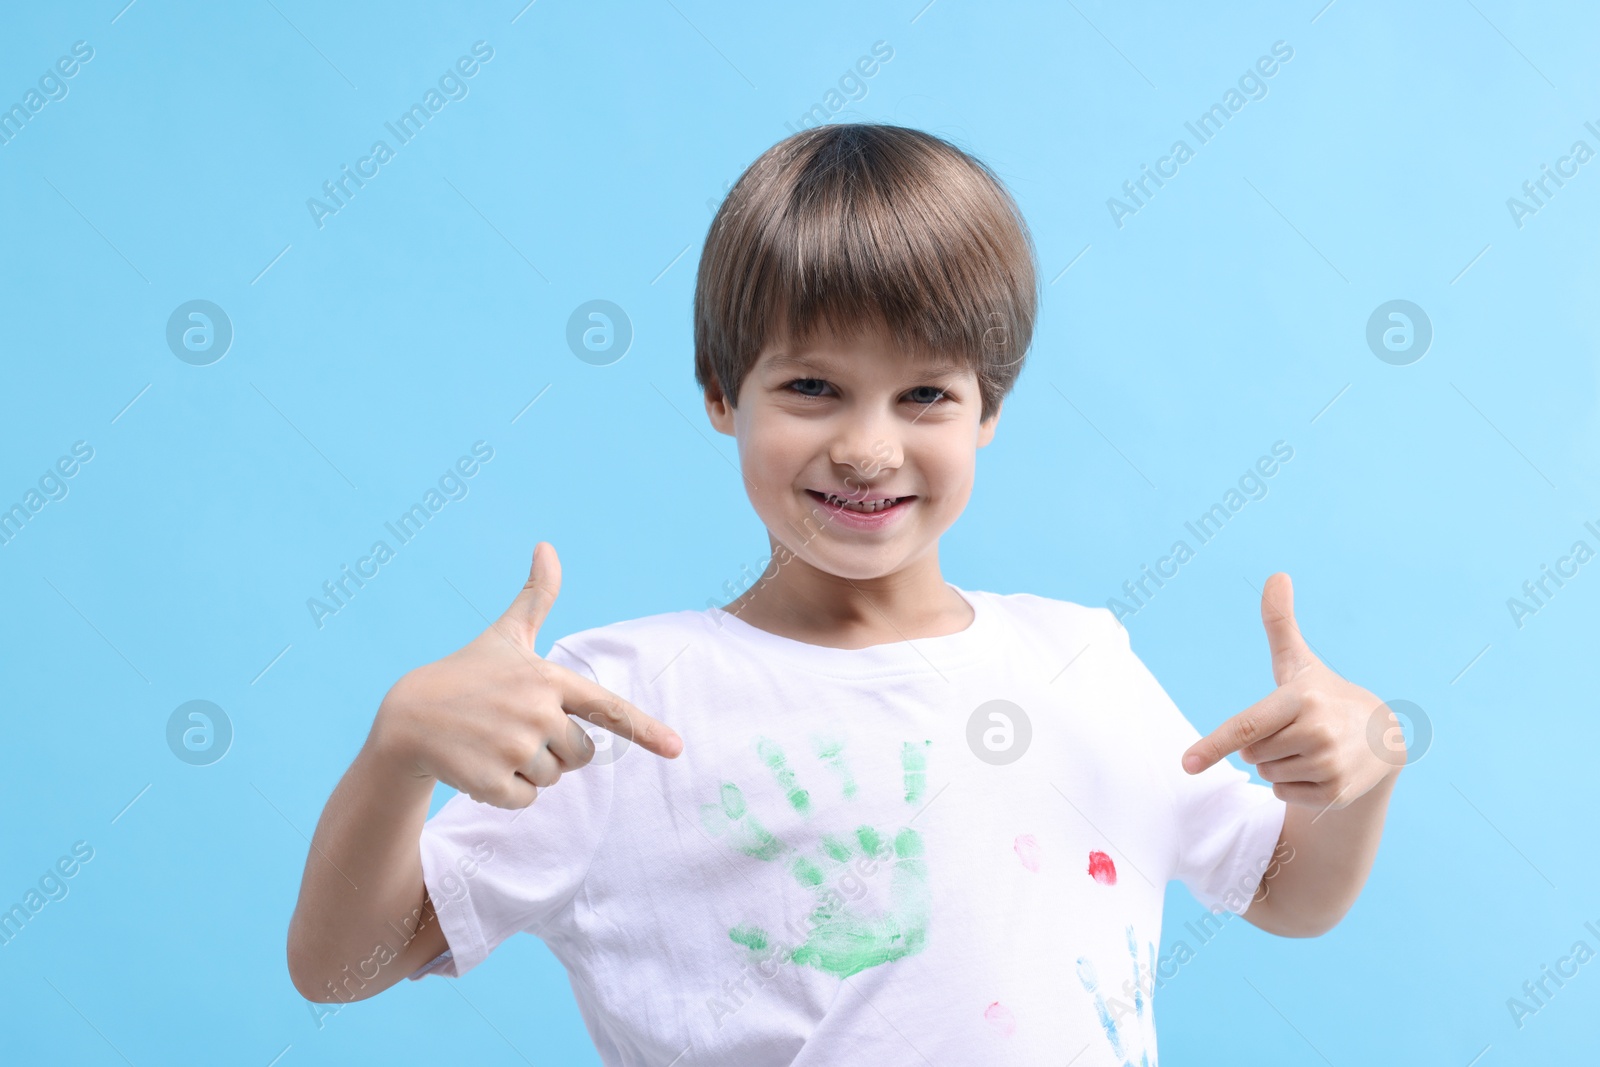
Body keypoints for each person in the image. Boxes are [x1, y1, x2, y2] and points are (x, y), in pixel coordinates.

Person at [286, 123, 1403, 1065]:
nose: (868, 448)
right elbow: (342, 967)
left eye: (925, 393)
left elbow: (1288, 892)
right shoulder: (619, 704)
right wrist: (397, 757)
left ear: (988, 409)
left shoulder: (1079, 659)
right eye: (813, 387)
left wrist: (1358, 771)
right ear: (723, 392)